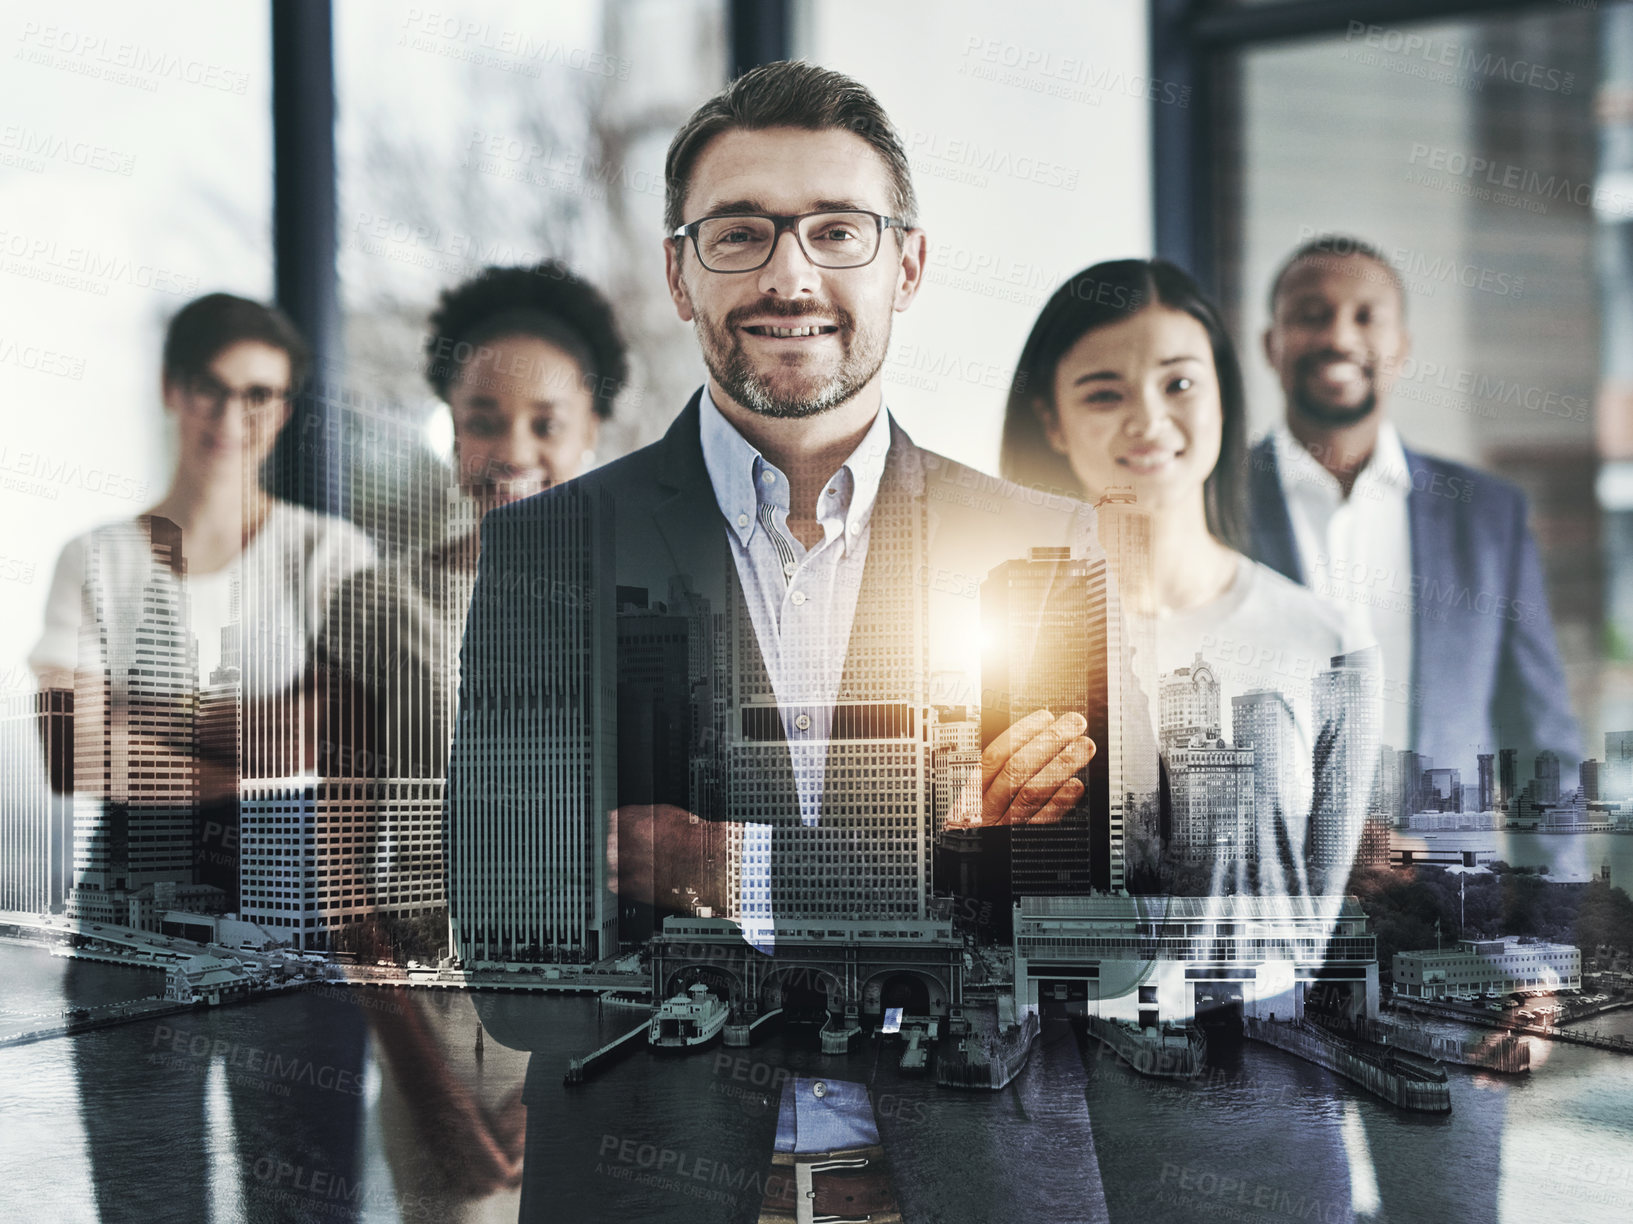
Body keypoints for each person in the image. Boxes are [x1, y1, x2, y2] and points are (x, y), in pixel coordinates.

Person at [446, 61, 1111, 1223]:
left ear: (906, 263)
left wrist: (715, 865)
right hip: (646, 1177)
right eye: (741, 233)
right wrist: (948, 854)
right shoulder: (549, 552)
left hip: (972, 1180)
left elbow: (1104, 936)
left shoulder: (1044, 545)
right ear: (678, 271)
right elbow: (516, 957)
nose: (789, 275)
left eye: (837, 231)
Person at [999, 258, 1382, 1220]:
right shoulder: (988, 623)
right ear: (1050, 418)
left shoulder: (1324, 642)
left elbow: (1310, 927)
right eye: (1102, 390)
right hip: (1041, 1124)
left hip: (1266, 1133)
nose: (1148, 418)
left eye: (1178, 381)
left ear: (1222, 395)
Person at [28, 292, 375, 1223]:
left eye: (258, 394)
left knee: (305, 1206)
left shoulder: (329, 556)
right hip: (129, 925)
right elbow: (71, 752)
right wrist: (255, 738)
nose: (232, 417)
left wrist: (147, 711)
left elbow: (334, 740)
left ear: (286, 407)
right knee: (146, 1203)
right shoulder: (95, 558)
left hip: (291, 924)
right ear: (173, 392)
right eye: (212, 390)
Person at [314, 261, 629, 1221]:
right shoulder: (378, 606)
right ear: (450, 433)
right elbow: (337, 877)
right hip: (439, 1030)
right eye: (482, 418)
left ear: (593, 434)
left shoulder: (651, 606)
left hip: (613, 1030)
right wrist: (424, 1084)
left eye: (546, 421)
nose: (512, 448)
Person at [1248, 234, 1580, 775]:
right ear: (1271, 344)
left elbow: (1542, 739)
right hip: (1266, 860)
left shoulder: (1488, 515)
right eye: (1311, 314)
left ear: (1400, 347)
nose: (1338, 335)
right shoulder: (1209, 502)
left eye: (1365, 316)